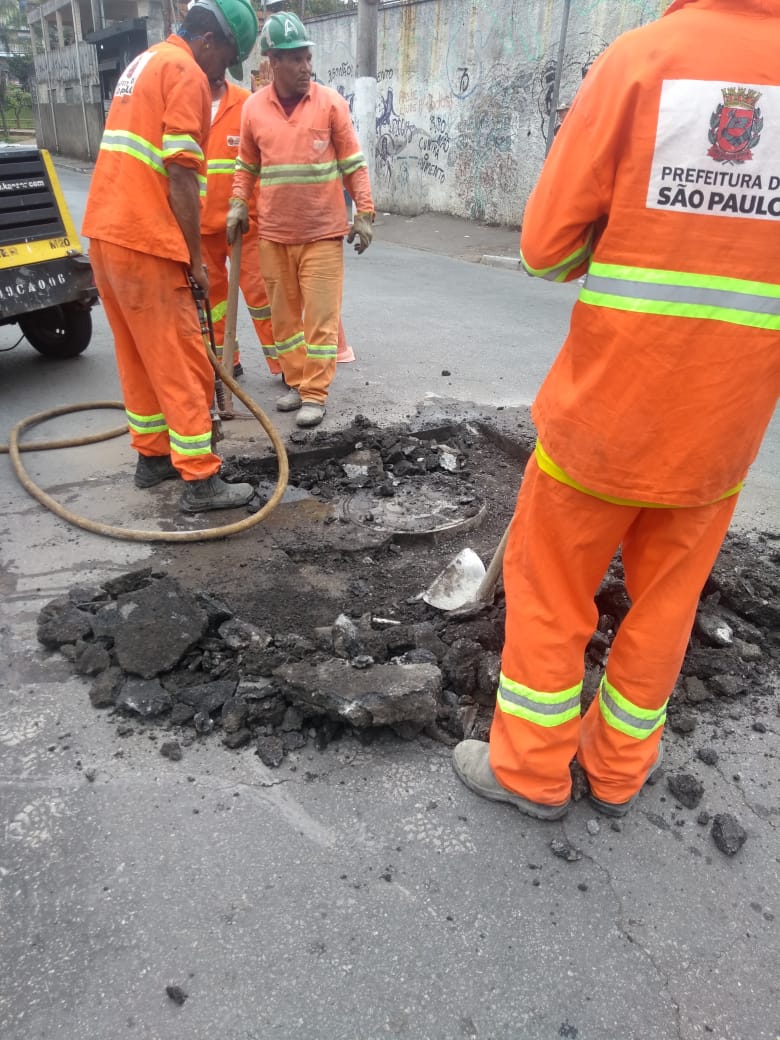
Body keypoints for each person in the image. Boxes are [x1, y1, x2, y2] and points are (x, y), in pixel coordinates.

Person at [453, 0, 780, 821]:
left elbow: (546, 248)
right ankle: (617, 770)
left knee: (553, 589)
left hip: (607, 415)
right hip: (723, 427)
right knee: (667, 605)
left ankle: (531, 770)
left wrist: (637, 230)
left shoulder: (641, 60)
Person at [82, 0, 257, 513]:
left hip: (107, 235)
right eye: (226, 57)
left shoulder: (145, 62)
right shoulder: (186, 72)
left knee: (138, 355)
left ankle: (152, 457)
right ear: (210, 42)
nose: (222, 71)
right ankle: (200, 479)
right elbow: (181, 171)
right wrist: (195, 259)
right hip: (147, 239)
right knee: (182, 359)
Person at [227, 11, 375, 429]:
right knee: (285, 322)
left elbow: (353, 164)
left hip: (322, 234)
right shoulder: (255, 108)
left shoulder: (330, 103)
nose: (305, 66)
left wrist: (364, 212)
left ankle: (315, 393)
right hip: (273, 235)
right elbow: (246, 166)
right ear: (273, 61)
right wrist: (239, 202)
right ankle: (295, 381)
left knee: (321, 319)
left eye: (307, 57)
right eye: (295, 59)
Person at [201, 73, 281, 379]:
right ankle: (226, 363)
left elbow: (261, 162)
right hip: (202, 227)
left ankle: (284, 363)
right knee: (215, 302)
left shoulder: (245, 104)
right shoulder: (186, 104)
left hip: (246, 223)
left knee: (263, 294)